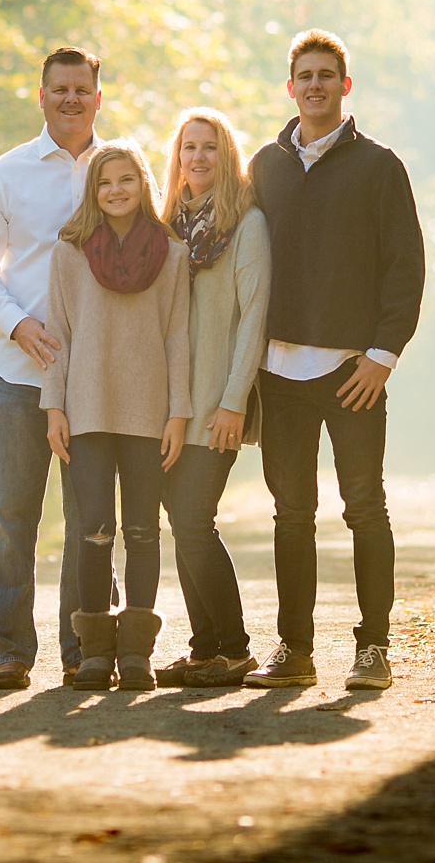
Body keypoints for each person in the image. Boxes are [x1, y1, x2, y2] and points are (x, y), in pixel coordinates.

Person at [243, 28, 425, 691]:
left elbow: (405, 267)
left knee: (363, 508)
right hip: (278, 372)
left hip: (354, 372)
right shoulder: (264, 165)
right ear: (290, 86)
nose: (315, 85)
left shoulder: (378, 167)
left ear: (344, 86)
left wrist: (383, 353)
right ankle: (295, 651)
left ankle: (373, 648)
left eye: (327, 75)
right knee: (291, 514)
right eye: (304, 75)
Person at [0, 46, 111, 690]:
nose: (71, 100)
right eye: (59, 90)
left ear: (98, 99)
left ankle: (83, 650)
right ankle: (11, 652)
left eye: (82, 90)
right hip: (20, 372)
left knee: (89, 518)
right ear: (40, 97)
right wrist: (16, 321)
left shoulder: (120, 168)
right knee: (11, 518)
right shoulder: (8, 173)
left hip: (96, 379)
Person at [42, 140, 192, 691]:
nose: (115, 190)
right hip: (85, 410)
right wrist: (52, 406)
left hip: (149, 412)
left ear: (143, 184)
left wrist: (179, 413)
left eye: (126, 179)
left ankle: (136, 656)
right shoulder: (70, 253)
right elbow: (57, 335)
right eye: (105, 182)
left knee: (143, 531)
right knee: (92, 531)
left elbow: (178, 337)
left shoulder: (172, 256)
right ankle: (96, 655)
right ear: (93, 190)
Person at [152, 108, 271, 689]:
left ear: (227, 156)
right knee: (182, 519)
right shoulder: (167, 227)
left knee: (195, 518)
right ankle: (204, 650)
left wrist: (234, 400)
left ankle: (235, 648)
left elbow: (254, 319)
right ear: (177, 158)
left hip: (219, 401)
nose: (197, 157)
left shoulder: (247, 225)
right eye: (188, 147)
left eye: (210, 147)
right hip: (172, 403)